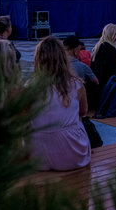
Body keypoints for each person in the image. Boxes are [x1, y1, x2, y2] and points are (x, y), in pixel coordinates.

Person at [30, 36, 91, 171]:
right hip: (74, 155)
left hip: (38, 156)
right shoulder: (77, 84)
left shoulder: (29, 86)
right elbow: (83, 112)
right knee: (78, 118)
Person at [91, 23, 116, 109]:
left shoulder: (98, 46)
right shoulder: (110, 49)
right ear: (114, 36)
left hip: (98, 88)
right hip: (107, 90)